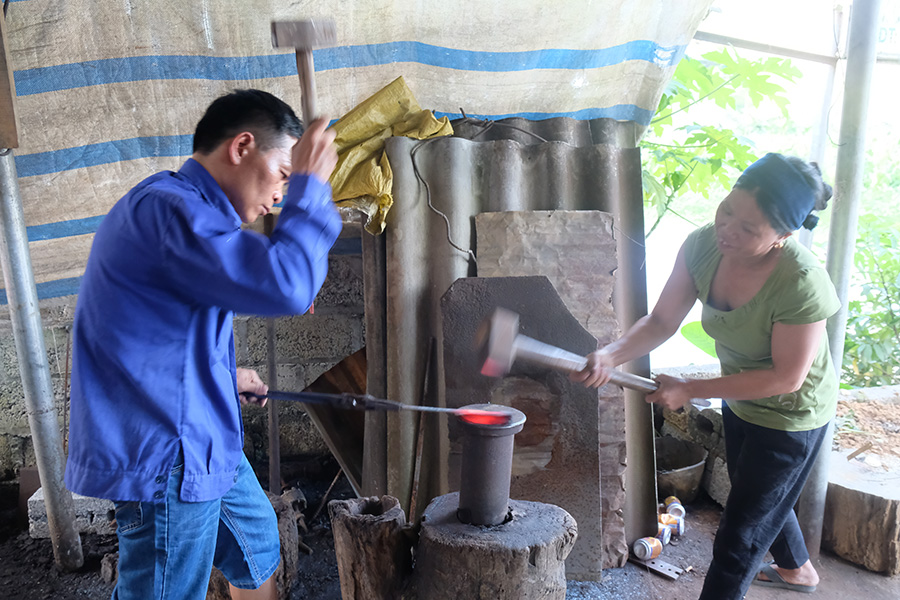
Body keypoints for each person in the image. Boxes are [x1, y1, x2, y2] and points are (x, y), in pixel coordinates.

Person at [64, 89, 341, 600]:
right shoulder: (168, 210)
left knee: (257, 545)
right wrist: (311, 186)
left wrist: (225, 377)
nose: (281, 196)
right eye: (283, 174)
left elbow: (158, 334)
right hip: (169, 447)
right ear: (242, 147)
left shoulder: (192, 217)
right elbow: (288, 284)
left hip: (202, 433)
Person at [574, 153, 839, 599]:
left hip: (792, 415)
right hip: (740, 397)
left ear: (784, 236)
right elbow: (661, 321)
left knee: (739, 537)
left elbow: (786, 378)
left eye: (748, 228)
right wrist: (611, 355)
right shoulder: (702, 246)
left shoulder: (801, 282)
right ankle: (798, 570)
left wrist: (691, 389)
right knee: (758, 494)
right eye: (727, 210)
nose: (727, 230)